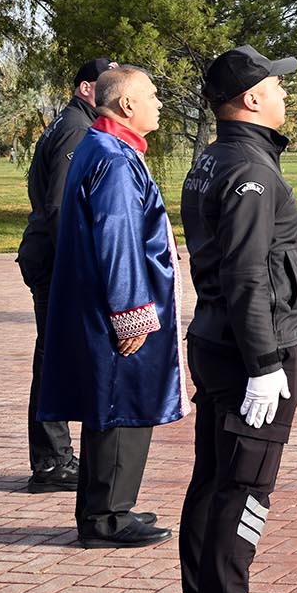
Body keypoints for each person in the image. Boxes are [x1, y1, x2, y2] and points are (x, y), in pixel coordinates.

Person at [177, 45, 297, 593]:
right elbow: (247, 275)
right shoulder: (251, 172)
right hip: (250, 347)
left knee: (213, 478)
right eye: (275, 87)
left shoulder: (213, 159)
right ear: (251, 99)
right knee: (246, 485)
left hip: (216, 339)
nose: (284, 94)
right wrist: (265, 365)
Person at [35, 64, 182, 550]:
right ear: (126, 105)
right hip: (115, 309)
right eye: (153, 95)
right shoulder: (115, 158)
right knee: (121, 407)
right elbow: (117, 238)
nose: (160, 103)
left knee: (110, 409)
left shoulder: (102, 147)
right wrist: (131, 311)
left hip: (98, 304)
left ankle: (108, 507)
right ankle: (106, 518)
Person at [15, 56, 114, 492]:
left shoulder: (68, 122)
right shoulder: (77, 128)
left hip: (46, 252)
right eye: (107, 83)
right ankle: (53, 462)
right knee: (53, 358)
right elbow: (58, 205)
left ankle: (54, 458)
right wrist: (75, 264)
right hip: (54, 258)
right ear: (86, 88)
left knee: (52, 355)